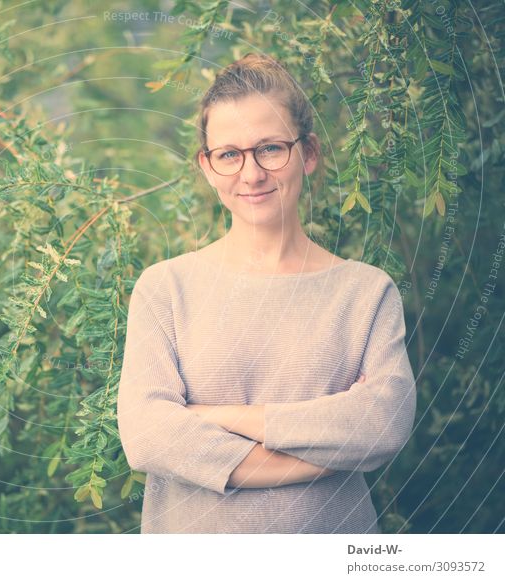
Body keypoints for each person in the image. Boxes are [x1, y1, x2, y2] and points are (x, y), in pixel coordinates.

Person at [116, 53, 417, 533]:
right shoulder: (165, 289)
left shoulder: (365, 293)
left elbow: (384, 422)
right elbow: (148, 435)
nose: (251, 174)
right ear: (207, 166)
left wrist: (216, 417)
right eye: (229, 154)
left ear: (310, 153)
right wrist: (323, 455)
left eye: (270, 149)